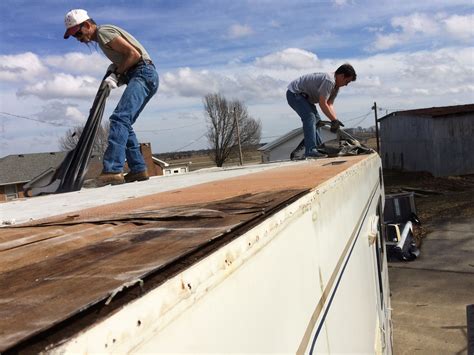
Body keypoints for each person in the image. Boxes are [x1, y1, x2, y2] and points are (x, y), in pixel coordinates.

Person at [64, 9, 159, 185]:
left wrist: (116, 75)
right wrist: (116, 71)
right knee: (124, 122)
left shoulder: (103, 32)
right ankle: (138, 169)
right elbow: (127, 58)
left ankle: (112, 169)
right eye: (74, 36)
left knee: (119, 118)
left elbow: (134, 55)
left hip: (143, 73)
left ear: (86, 25)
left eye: (77, 33)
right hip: (141, 74)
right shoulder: (102, 39)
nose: (78, 38)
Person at [286, 64, 356, 158]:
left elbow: (329, 104)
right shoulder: (329, 80)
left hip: (305, 98)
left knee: (318, 122)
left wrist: (335, 120)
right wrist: (333, 120)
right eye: (347, 81)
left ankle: (318, 149)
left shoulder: (336, 87)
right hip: (294, 93)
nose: (346, 85)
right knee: (309, 117)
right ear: (342, 76)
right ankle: (311, 150)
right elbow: (322, 103)